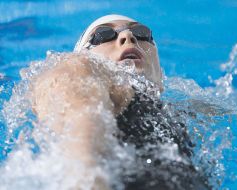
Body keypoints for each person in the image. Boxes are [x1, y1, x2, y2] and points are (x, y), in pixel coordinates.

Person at [32, 14, 211, 190]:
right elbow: (79, 108)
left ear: (160, 76)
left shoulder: (181, 110)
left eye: (142, 33)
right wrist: (86, 175)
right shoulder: (83, 69)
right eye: (103, 35)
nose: (128, 36)